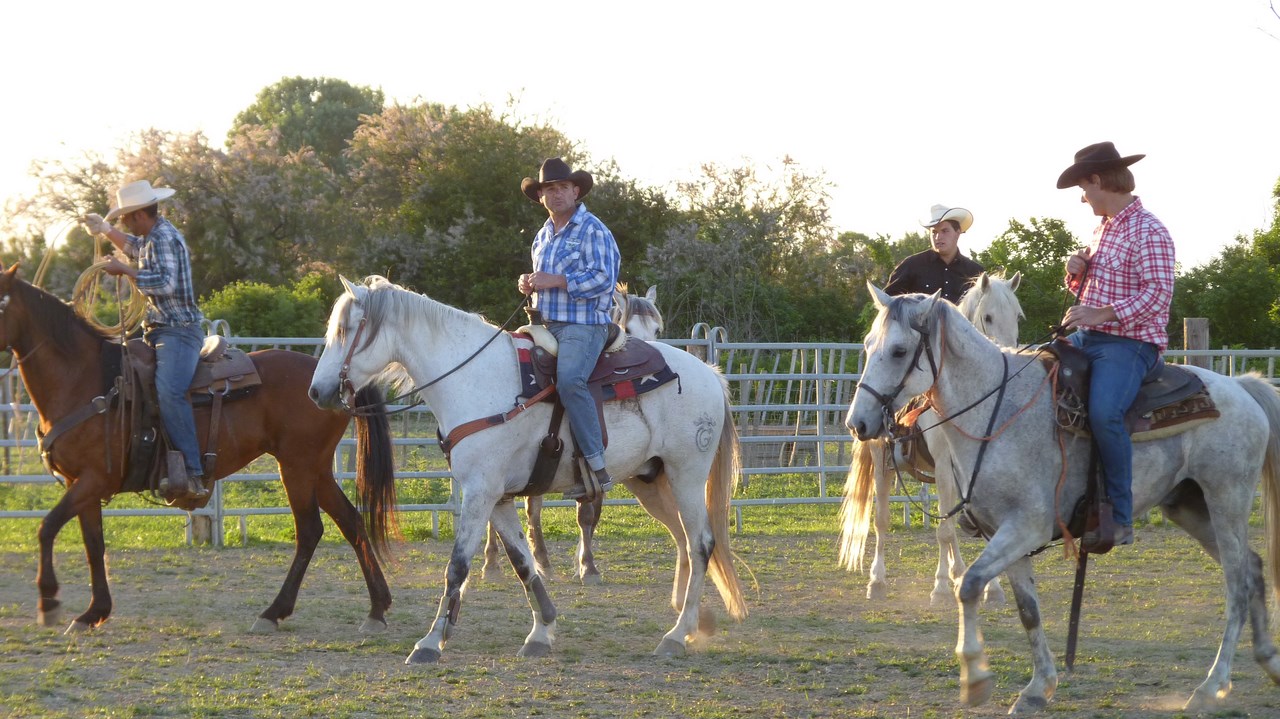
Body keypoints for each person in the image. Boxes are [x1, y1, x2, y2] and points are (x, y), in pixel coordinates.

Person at [1058, 141, 1175, 548]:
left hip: (1129, 345)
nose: (1082, 198)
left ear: (1097, 179)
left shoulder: (1151, 230)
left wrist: (1101, 314)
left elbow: (1158, 295)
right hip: (1087, 337)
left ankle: (1121, 518)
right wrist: (1076, 273)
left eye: (1083, 188)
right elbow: (1095, 287)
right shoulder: (1102, 228)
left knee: (1105, 412)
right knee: (1027, 378)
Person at [82, 180, 209, 502]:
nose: (124, 223)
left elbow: (165, 284)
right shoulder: (153, 237)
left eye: (125, 218)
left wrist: (124, 270)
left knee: (170, 390)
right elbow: (135, 248)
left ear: (139, 215)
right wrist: (106, 229)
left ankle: (193, 471)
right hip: (160, 329)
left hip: (178, 330)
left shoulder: (164, 238)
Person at [518, 158, 622, 500]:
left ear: (575, 191)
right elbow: (544, 281)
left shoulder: (593, 229)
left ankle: (596, 466)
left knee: (570, 379)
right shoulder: (542, 236)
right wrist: (529, 283)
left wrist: (556, 280)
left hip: (584, 324)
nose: (557, 193)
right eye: (550, 189)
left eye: (563, 187)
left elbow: (604, 280)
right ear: (541, 197)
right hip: (544, 324)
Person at [884, 204, 984, 304]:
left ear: (957, 233)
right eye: (934, 232)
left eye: (944, 231)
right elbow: (887, 302)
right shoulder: (911, 265)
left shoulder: (975, 272)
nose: (937, 237)